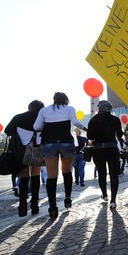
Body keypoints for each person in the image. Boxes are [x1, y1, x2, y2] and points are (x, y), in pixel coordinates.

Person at [34, 92, 87, 220]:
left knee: (51, 176)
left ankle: (52, 207)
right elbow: (76, 123)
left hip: (49, 143)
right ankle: (67, 198)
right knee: (67, 171)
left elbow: (36, 126)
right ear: (65, 100)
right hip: (66, 142)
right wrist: (86, 129)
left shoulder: (44, 110)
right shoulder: (69, 109)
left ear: (53, 99)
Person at [5, 100, 45, 216]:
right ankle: (34, 205)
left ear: (29, 107)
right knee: (36, 175)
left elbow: (7, 131)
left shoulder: (18, 117)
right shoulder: (43, 118)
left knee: (23, 175)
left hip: (21, 150)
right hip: (37, 148)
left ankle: (22, 204)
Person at [87, 100, 124, 210]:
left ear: (99, 108)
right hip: (112, 148)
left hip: (98, 150)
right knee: (114, 175)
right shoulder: (115, 119)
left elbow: (90, 136)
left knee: (101, 173)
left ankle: (104, 195)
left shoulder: (93, 120)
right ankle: (113, 200)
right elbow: (120, 134)